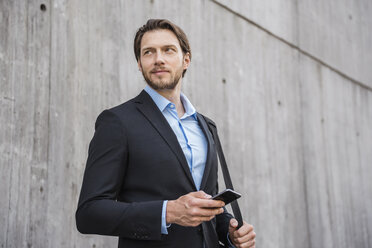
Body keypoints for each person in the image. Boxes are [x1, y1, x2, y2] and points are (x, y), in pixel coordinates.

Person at [76, 19, 256, 248]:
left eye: (168, 50)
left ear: (186, 60)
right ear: (140, 64)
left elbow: (206, 204)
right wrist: (167, 212)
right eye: (148, 52)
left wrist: (231, 231)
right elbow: (89, 213)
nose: (158, 58)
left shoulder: (207, 126)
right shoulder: (117, 122)